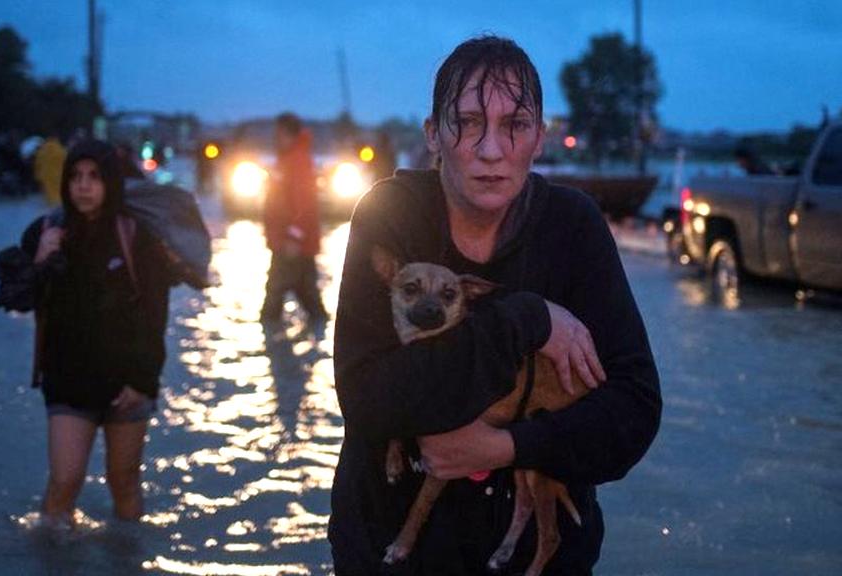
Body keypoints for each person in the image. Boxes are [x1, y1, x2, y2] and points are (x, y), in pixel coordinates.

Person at [329, 36, 661, 575]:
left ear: (539, 139)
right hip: (387, 555)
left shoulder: (572, 226)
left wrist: (507, 446)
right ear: (433, 134)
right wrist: (528, 319)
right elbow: (368, 399)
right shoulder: (390, 215)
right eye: (467, 122)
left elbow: (633, 412)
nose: (491, 149)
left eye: (515, 125)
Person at [17, 139, 175, 525]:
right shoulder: (46, 231)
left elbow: (155, 315)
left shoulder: (136, 236)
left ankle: (127, 561)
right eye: (75, 177)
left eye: (94, 177)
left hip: (128, 385)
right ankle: (53, 560)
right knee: (63, 483)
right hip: (69, 382)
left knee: (124, 485)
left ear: (111, 182)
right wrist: (41, 261)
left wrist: (142, 381)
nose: (83, 186)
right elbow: (18, 300)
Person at [260, 112, 327, 327]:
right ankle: (322, 334)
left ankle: (273, 343)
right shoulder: (289, 159)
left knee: (273, 299)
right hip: (291, 243)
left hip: (291, 244)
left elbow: (304, 202)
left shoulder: (297, 161)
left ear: (290, 134)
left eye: (279, 134)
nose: (275, 138)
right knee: (308, 296)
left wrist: (294, 236)